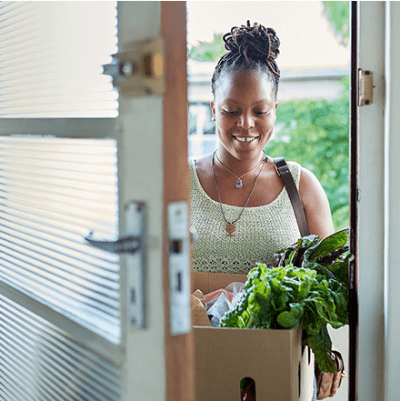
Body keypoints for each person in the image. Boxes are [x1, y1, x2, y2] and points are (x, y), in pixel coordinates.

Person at [189, 21, 344, 400]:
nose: (246, 124)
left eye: (259, 110)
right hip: (191, 377)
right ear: (213, 109)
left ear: (275, 110)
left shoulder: (302, 187)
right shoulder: (179, 184)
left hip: (274, 380)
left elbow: (330, 289)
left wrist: (329, 355)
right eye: (231, 111)